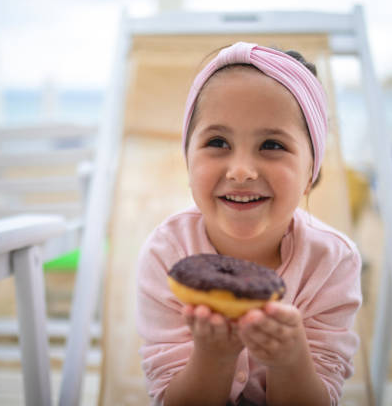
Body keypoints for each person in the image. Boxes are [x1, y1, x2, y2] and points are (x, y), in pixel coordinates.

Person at [136, 42, 362, 406]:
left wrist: (290, 361)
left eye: (272, 144)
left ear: (310, 173)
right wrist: (214, 357)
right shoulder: (167, 255)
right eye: (218, 141)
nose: (241, 170)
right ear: (188, 162)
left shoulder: (332, 260)